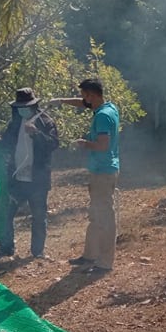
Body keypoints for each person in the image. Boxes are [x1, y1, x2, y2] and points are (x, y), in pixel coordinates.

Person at [49, 78, 120, 274]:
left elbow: (103, 145)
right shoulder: (109, 107)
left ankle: (105, 262)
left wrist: (84, 143)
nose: (83, 100)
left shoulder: (102, 116)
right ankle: (90, 255)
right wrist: (61, 101)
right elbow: (82, 104)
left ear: (92, 95)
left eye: (84, 95)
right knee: (96, 214)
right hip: (102, 170)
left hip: (103, 172)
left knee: (105, 217)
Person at [0, 88, 59, 259]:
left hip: (38, 180)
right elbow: (7, 143)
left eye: (26, 107)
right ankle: (6, 247)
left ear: (33, 106)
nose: (23, 110)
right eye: (19, 107)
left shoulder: (46, 122)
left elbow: (53, 144)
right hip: (16, 178)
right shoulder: (14, 123)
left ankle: (38, 251)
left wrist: (36, 134)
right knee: (6, 213)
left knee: (38, 216)